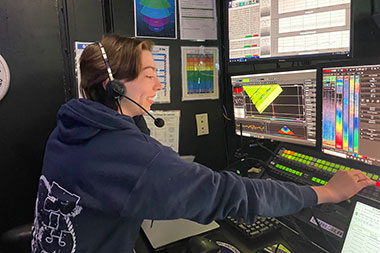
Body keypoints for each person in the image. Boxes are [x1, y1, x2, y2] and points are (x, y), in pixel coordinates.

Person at [31, 34, 375, 253]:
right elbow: (229, 195)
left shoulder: (73, 127)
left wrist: (133, 116)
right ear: (114, 86)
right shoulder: (127, 156)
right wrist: (325, 193)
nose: (157, 87)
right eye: (150, 75)